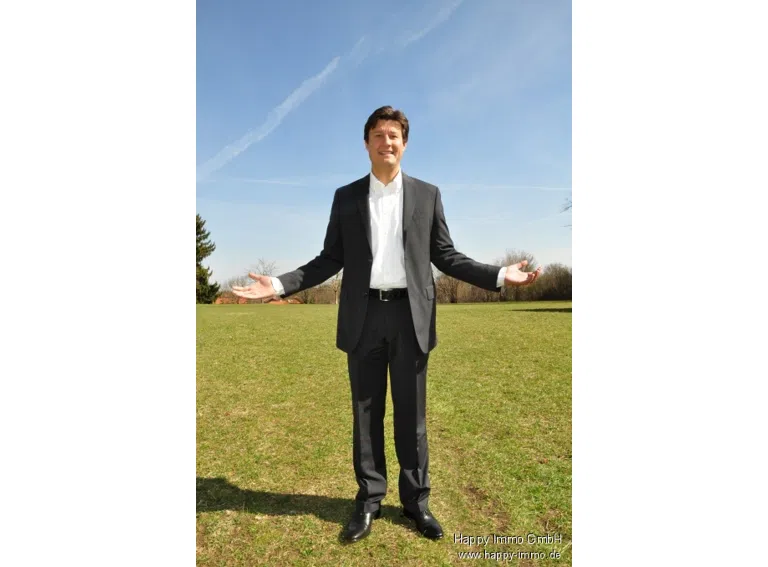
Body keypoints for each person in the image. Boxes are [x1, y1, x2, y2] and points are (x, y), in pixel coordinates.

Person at [232, 106, 541, 543]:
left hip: (410, 317)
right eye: (378, 135)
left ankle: (417, 503)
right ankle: (369, 500)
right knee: (366, 415)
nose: (386, 142)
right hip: (363, 318)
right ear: (366, 144)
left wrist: (498, 275)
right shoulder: (346, 197)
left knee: (412, 417)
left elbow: (446, 256)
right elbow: (329, 259)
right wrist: (279, 284)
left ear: (405, 143)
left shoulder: (428, 195)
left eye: (394, 135)